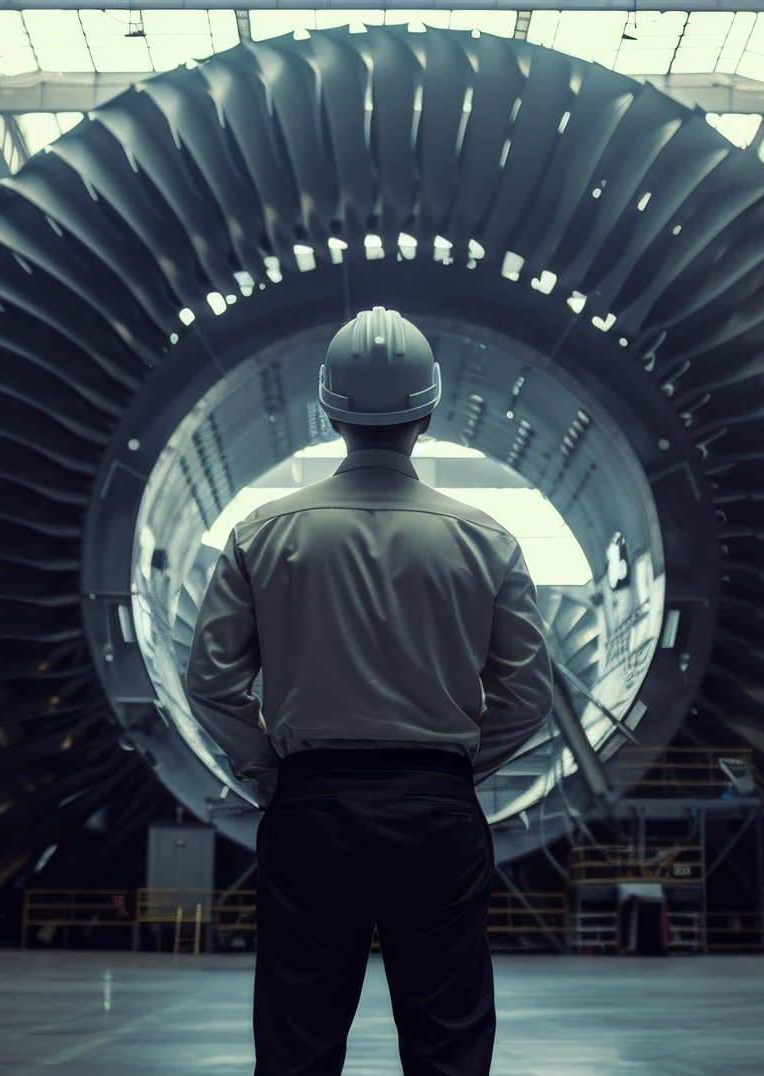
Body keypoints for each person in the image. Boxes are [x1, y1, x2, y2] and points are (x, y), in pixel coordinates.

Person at [185, 306, 557, 1076]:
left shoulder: (261, 532)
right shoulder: (487, 539)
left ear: (329, 411)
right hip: (438, 811)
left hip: (311, 808)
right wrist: (452, 769)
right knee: (449, 1044)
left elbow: (213, 683)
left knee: (297, 1045)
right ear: (429, 409)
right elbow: (527, 697)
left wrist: (271, 773)